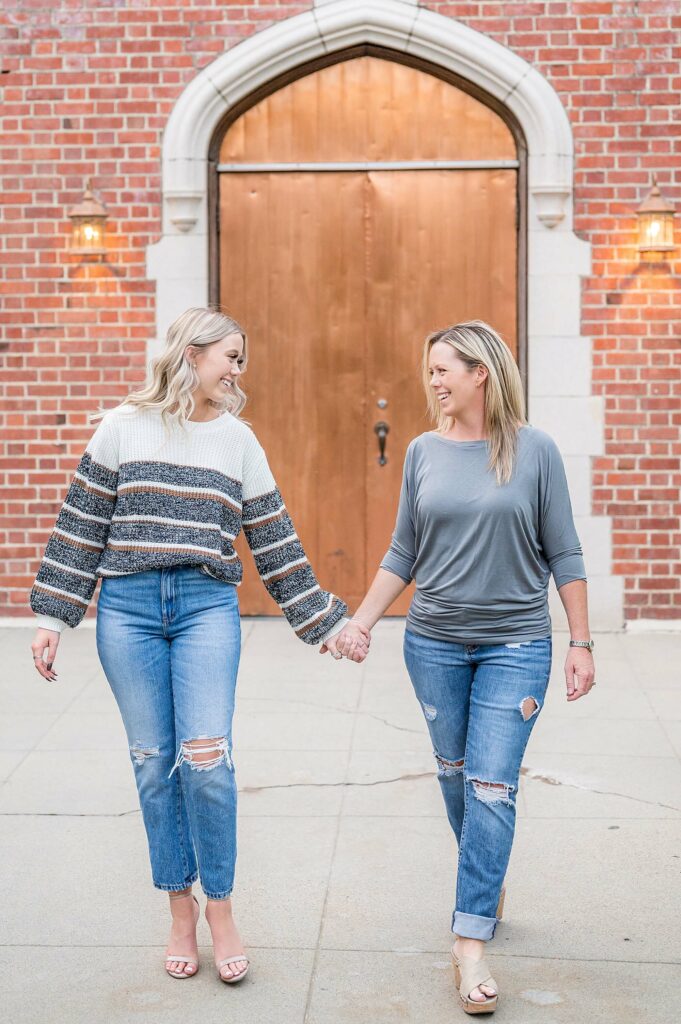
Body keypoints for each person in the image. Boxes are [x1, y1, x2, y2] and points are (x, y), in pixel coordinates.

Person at [29, 306, 367, 985]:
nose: (238, 370)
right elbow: (81, 525)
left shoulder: (237, 441)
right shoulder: (121, 427)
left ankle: (221, 906)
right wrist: (55, 618)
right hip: (126, 608)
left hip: (205, 607)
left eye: (241, 358)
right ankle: (179, 909)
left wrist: (324, 621)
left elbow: (274, 541)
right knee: (155, 764)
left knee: (207, 759)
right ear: (193, 353)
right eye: (231, 356)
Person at [325, 321, 595, 1015]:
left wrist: (580, 641)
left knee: (491, 785)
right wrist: (360, 622)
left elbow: (564, 553)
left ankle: (468, 939)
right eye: (431, 371)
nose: (433, 382)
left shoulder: (533, 452)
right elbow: (402, 552)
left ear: (481, 373)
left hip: (515, 646)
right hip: (434, 645)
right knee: (456, 779)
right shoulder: (420, 451)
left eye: (444, 369)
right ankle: (486, 876)